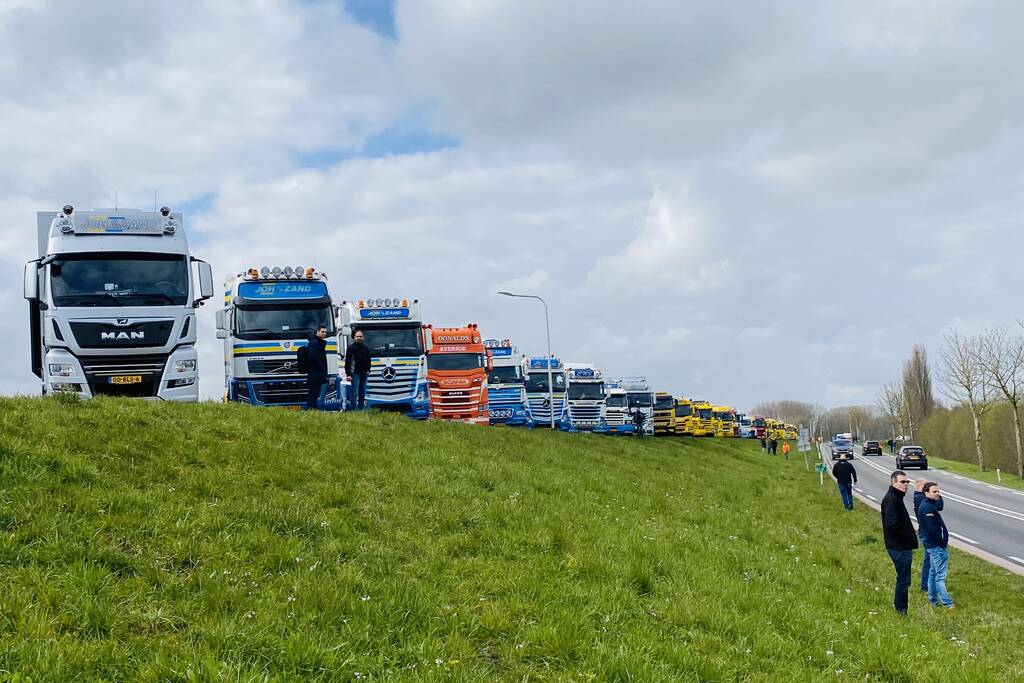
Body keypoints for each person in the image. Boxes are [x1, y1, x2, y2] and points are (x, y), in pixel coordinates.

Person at [880, 470, 918, 614]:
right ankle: (901, 611)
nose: (906, 485)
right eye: (902, 482)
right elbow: (892, 525)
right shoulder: (891, 499)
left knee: (904, 579)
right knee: (903, 579)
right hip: (899, 547)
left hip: (901, 546)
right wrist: (907, 538)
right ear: (893, 482)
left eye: (907, 482)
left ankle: (901, 608)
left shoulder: (896, 497)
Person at [917, 482, 954, 609]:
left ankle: (933, 600)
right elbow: (932, 529)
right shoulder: (927, 508)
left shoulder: (928, 505)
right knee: (940, 576)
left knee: (932, 573)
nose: (937, 493)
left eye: (938, 491)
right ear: (926, 493)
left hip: (931, 545)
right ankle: (947, 603)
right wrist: (942, 543)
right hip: (936, 546)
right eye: (934, 492)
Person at [345, 329, 372, 410]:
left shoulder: (366, 348)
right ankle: (353, 410)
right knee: (354, 393)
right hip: (355, 373)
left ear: (363, 337)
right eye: (357, 336)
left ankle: (361, 409)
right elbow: (347, 362)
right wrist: (348, 374)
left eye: (361, 336)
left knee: (362, 393)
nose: (359, 338)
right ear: (354, 337)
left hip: (364, 373)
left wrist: (368, 370)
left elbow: (369, 359)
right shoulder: (351, 348)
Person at [305, 324, 329, 410]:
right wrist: (321, 367)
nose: (324, 333)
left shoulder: (317, 342)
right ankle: (311, 409)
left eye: (325, 332)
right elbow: (312, 356)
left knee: (315, 392)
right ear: (317, 331)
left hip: (316, 372)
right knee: (313, 392)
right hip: (315, 372)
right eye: (322, 331)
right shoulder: (314, 342)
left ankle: (313, 409)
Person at [913, 479, 931, 592]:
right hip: (926, 532)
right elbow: (939, 504)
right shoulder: (920, 498)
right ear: (920, 486)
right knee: (929, 559)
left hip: (926, 531)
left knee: (931, 559)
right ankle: (925, 585)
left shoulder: (921, 497)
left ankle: (928, 583)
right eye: (926, 486)